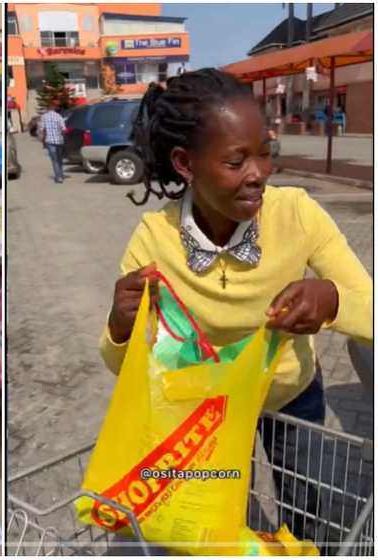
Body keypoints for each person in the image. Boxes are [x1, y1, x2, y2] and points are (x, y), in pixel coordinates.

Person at [103, 69, 372, 545]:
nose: (259, 174)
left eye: (266, 154)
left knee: (307, 503)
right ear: (186, 163)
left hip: (292, 396)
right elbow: (129, 366)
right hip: (207, 412)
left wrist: (330, 300)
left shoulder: (296, 214)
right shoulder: (153, 239)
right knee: (221, 515)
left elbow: (368, 307)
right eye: (236, 161)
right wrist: (120, 327)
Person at [38, 100, 68, 183]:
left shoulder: (44, 117)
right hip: (59, 141)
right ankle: (61, 174)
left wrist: (43, 139)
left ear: (48, 108)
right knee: (59, 159)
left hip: (50, 141)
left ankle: (58, 177)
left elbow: (41, 129)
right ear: (54, 108)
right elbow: (64, 129)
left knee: (54, 160)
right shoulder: (59, 116)